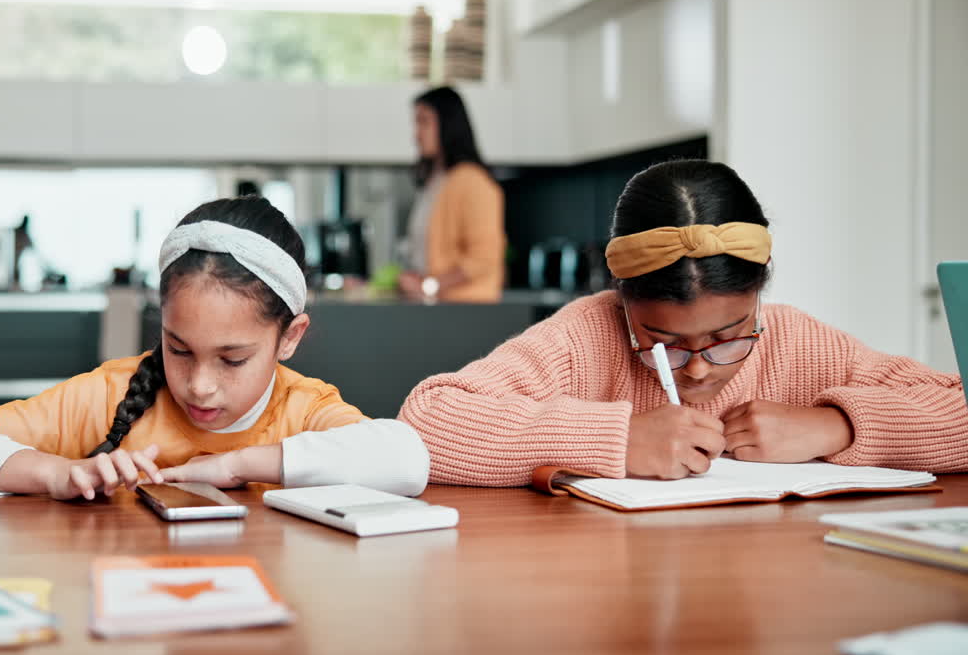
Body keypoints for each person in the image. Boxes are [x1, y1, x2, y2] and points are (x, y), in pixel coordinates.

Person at [399, 159, 968, 484]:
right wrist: (618, 440)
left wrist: (836, 426)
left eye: (729, 337)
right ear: (623, 300)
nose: (697, 370)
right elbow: (428, 421)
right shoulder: (583, 337)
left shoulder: (797, 341)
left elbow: (958, 406)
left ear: (759, 297)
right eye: (663, 342)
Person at [0, 197, 429, 499]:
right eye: (178, 349)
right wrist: (57, 473)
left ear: (289, 337)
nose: (200, 385)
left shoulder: (304, 409)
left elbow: (406, 459)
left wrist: (237, 465)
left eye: (232, 359)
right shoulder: (109, 395)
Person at [398, 86, 506, 303]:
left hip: (466, 309)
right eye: (416, 123)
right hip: (439, 306)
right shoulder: (435, 182)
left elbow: (484, 258)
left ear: (448, 124)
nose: (416, 134)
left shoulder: (473, 182)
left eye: (424, 122)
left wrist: (430, 285)